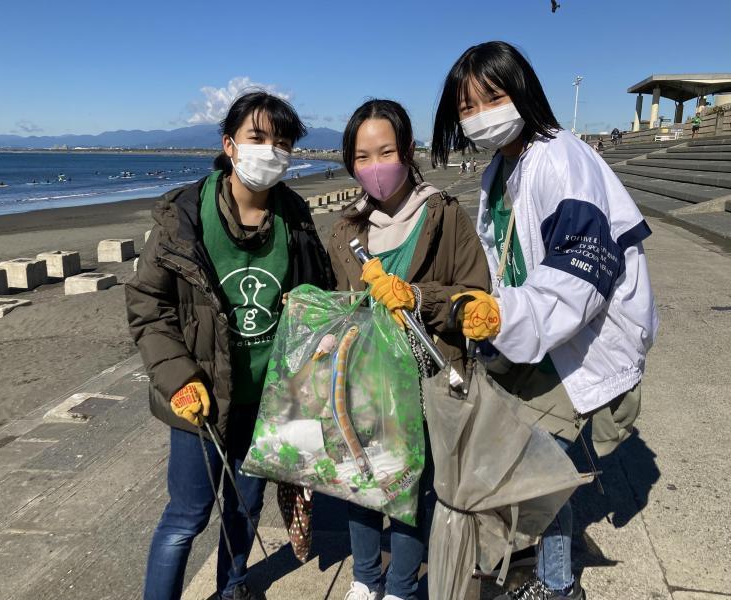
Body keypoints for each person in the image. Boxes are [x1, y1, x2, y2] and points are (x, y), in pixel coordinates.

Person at [432, 41, 658, 600]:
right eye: (466, 107)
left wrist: (501, 315)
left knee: (541, 477)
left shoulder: (561, 158)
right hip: (535, 338)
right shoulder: (499, 170)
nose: (479, 115)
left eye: (493, 97)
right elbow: (502, 259)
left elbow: (578, 278)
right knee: (530, 470)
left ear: (523, 93)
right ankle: (535, 570)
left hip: (578, 340)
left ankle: (556, 585)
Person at [126, 91, 335, 600]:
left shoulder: (295, 217)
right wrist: (178, 379)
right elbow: (148, 306)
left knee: (244, 508)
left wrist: (305, 303)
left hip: (267, 402)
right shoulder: (184, 218)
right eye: (257, 138)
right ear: (230, 144)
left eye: (282, 143)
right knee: (186, 516)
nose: (271, 151)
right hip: (199, 400)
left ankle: (234, 586)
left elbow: (322, 288)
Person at [329, 99, 490, 600]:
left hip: (427, 377)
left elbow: (475, 291)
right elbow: (339, 302)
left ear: (409, 152)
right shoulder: (345, 230)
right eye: (362, 157)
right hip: (365, 379)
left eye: (386, 152)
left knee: (414, 484)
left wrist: (420, 298)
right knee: (362, 479)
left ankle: (400, 584)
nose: (375, 168)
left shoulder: (443, 215)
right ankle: (364, 577)